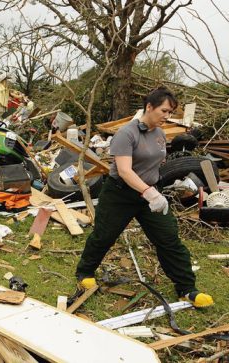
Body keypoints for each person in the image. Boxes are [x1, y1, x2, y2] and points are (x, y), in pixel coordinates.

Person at [75, 87, 213, 308]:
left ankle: (187, 289)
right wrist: (148, 192)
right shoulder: (126, 134)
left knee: (168, 238)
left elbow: (157, 163)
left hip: (150, 194)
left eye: (170, 113)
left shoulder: (159, 133)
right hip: (120, 194)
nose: (167, 117)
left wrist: (159, 186)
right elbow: (125, 170)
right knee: (104, 235)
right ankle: (84, 273)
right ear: (149, 107)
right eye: (164, 111)